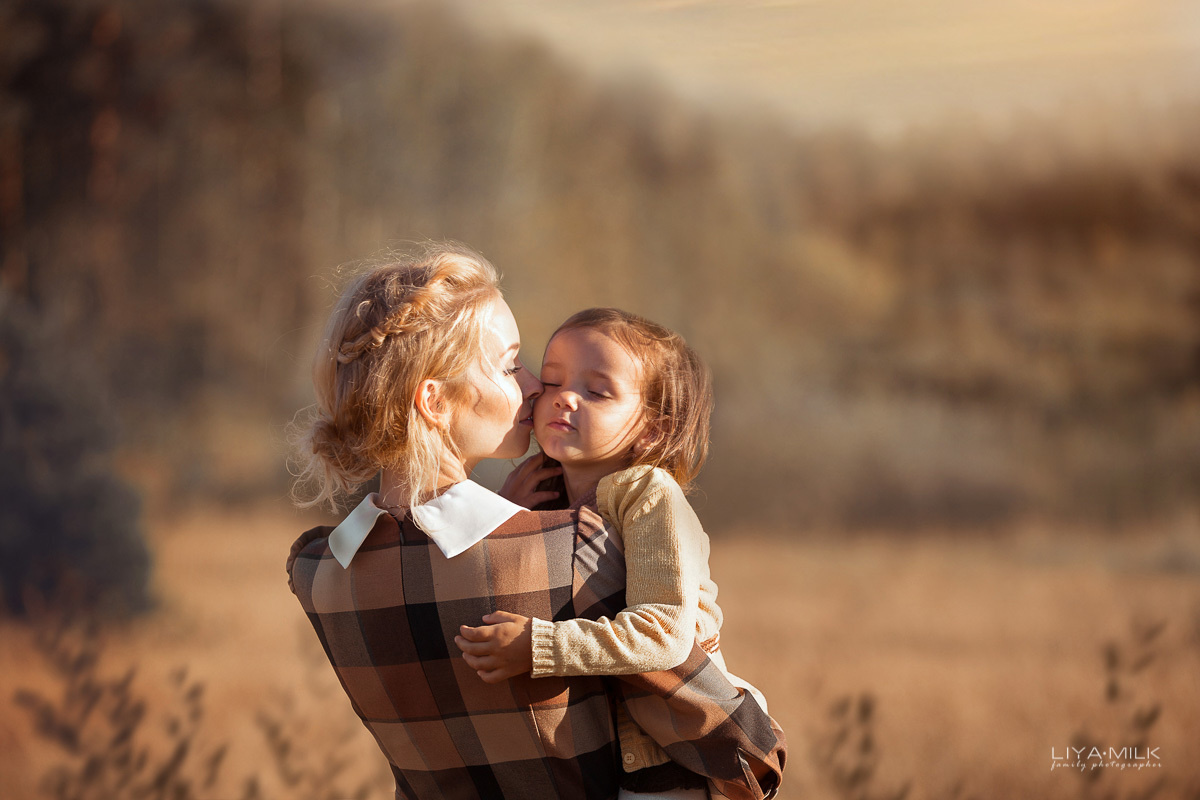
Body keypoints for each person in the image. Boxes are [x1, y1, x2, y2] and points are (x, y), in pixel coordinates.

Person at [286, 245, 785, 800]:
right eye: (509, 365)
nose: (534, 388)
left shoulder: (318, 571)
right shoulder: (577, 550)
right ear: (434, 400)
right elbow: (730, 737)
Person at [455, 308, 772, 798]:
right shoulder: (538, 489)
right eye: (554, 380)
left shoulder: (650, 495)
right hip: (591, 754)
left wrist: (538, 647)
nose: (563, 398)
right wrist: (508, 512)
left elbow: (662, 634)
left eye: (597, 391)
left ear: (651, 431)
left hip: (667, 754)